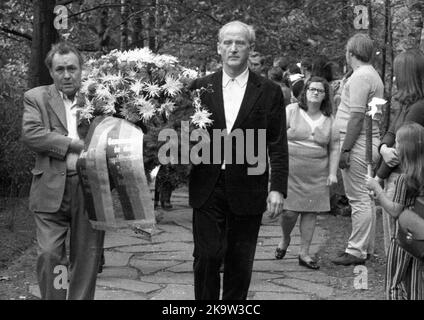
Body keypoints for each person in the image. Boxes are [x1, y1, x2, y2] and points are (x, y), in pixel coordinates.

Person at [188, 20, 288, 300]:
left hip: (249, 186)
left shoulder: (268, 92)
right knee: (207, 257)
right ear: (218, 48)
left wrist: (277, 187)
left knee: (239, 262)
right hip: (207, 184)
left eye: (240, 43)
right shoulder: (199, 88)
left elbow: (278, 143)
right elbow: (185, 135)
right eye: (228, 43)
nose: (233, 48)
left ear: (250, 49)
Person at [21, 42, 105, 299]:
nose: (66, 75)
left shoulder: (100, 98)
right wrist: (73, 144)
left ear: (82, 70)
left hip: (90, 188)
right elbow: (33, 135)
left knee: (87, 256)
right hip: (49, 188)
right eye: (60, 69)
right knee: (50, 255)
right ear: (51, 72)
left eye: (72, 68)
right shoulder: (36, 97)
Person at [275, 77, 339, 269]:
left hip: (317, 172)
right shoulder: (290, 111)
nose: (315, 93)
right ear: (305, 91)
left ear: (325, 95)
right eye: (312, 89)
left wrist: (332, 173)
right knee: (289, 213)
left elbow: (335, 147)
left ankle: (304, 253)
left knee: (310, 213)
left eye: (320, 90)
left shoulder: (329, 119)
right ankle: (285, 239)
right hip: (291, 170)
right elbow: (276, 138)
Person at [332, 33, 384, 266]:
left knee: (358, 198)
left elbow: (356, 117)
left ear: (351, 53)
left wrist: (345, 150)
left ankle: (356, 250)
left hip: (358, 141)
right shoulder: (372, 75)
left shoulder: (362, 76)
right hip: (367, 140)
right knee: (366, 198)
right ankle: (366, 247)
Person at [373, 49, 424, 256]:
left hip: (402, 177)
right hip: (393, 174)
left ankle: (396, 286)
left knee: (398, 242)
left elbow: (400, 150)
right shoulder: (407, 104)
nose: (393, 78)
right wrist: (383, 147)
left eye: (397, 73)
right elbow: (391, 132)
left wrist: (378, 177)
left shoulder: (418, 109)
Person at [366, 122, 424, 299]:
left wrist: (377, 188)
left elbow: (394, 210)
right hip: (419, 241)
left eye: (397, 142)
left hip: (402, 240)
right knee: (415, 284)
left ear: (405, 148)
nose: (394, 145)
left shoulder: (403, 179)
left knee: (394, 284)